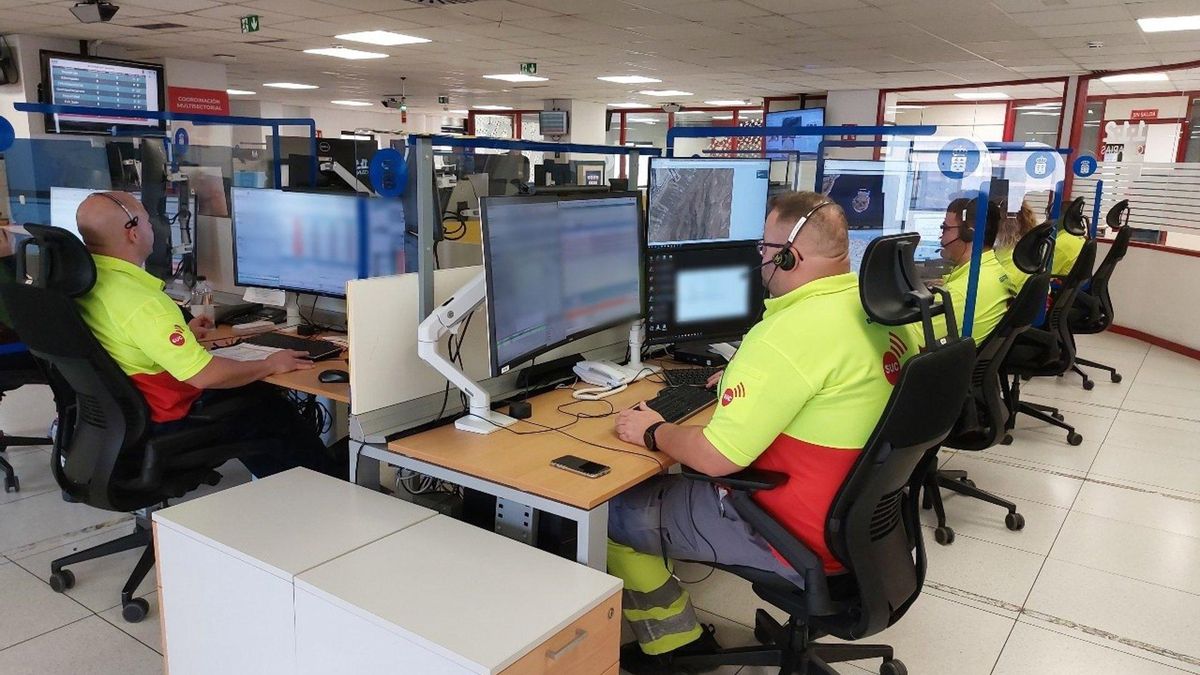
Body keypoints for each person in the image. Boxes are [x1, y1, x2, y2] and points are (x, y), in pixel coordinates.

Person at [607, 191, 921, 674]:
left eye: (763, 250)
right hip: (863, 529)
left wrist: (654, 430)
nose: (759, 260)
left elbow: (714, 457)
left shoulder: (787, 334)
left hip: (788, 530)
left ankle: (674, 646)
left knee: (610, 512)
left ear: (788, 255)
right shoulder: (885, 314)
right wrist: (743, 379)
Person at [73, 191, 339, 478]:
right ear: (134, 233)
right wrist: (270, 364)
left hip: (123, 420)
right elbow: (204, 375)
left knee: (256, 400)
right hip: (165, 416)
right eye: (149, 222)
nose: (154, 228)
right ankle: (323, 490)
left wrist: (179, 336)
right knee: (266, 406)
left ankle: (296, 487)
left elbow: (121, 340)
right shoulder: (141, 302)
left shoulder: (86, 283)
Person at [930, 197, 1015, 345]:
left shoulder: (958, 294)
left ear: (968, 234)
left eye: (945, 228)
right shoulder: (995, 271)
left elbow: (912, 336)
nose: (941, 237)